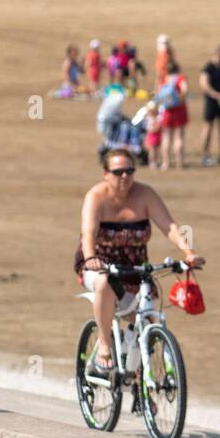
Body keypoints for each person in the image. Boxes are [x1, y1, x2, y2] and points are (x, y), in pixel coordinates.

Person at [74, 148, 204, 373]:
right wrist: (91, 258)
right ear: (106, 173)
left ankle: (142, 382)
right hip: (100, 263)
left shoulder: (145, 194)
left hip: (135, 266)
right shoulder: (96, 197)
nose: (125, 176)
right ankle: (104, 344)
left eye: (129, 171)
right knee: (104, 284)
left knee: (148, 320)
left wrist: (188, 251)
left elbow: (169, 226)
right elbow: (88, 234)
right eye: (118, 172)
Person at [156, 61, 188, 169]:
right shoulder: (180, 78)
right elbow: (185, 90)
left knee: (166, 137)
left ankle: (166, 163)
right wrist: (180, 100)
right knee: (179, 137)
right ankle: (180, 163)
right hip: (179, 111)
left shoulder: (163, 79)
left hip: (166, 111)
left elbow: (157, 95)